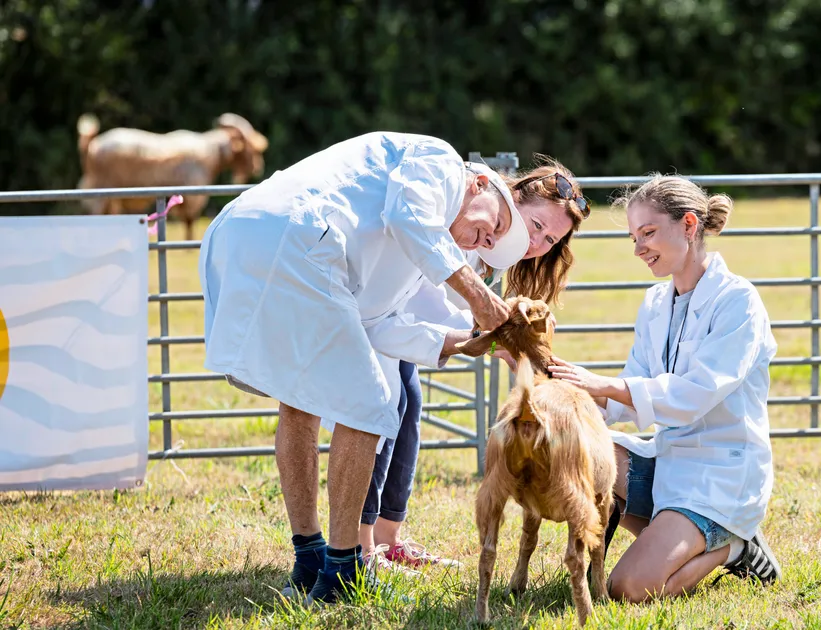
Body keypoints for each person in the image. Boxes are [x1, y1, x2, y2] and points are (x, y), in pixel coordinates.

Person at [198, 131, 531, 604]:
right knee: (371, 404)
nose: (487, 240)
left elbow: (375, 322)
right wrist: (480, 299)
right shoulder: (441, 163)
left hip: (250, 230)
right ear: (480, 184)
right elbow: (407, 216)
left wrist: (461, 343)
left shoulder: (415, 251)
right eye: (492, 226)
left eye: (492, 242)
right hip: (297, 235)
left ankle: (309, 557)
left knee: (300, 401)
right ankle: (342, 573)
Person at [548, 175, 782, 603]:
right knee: (581, 448)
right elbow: (629, 388)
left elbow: (695, 393)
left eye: (649, 233)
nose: (639, 248)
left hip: (721, 476)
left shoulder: (738, 301)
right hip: (671, 463)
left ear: (689, 226)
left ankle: (735, 545)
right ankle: (677, 533)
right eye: (634, 237)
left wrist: (606, 384)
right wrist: (556, 380)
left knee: (629, 589)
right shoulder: (656, 302)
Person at [358, 161, 591, 572]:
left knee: (408, 407)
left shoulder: (492, 253)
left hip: (402, 329)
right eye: (536, 225)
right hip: (376, 312)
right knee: (382, 413)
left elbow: (460, 315)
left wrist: (513, 344)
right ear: (511, 197)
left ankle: (387, 539)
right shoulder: (468, 222)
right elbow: (429, 302)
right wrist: (496, 334)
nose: (537, 243)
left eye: (550, 239)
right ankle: (361, 549)